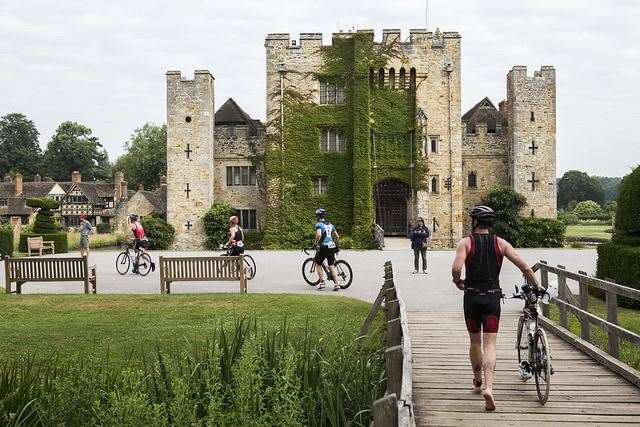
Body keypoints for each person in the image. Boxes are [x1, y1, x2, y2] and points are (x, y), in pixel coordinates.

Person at [451, 205, 540, 412]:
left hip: (472, 297)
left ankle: (477, 379)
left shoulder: (466, 242)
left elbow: (456, 268)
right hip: (492, 299)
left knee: (475, 341)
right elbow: (525, 266)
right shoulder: (501, 243)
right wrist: (536, 285)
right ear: (490, 223)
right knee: (490, 344)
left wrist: (457, 280)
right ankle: (489, 388)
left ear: (474, 222)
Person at [314, 208, 340, 291]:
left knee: (318, 263)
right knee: (331, 266)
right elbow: (337, 236)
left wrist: (316, 243)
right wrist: (334, 243)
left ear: (318, 216)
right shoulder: (330, 225)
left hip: (324, 247)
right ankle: (337, 284)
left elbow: (318, 235)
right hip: (331, 247)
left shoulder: (319, 224)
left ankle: (322, 282)